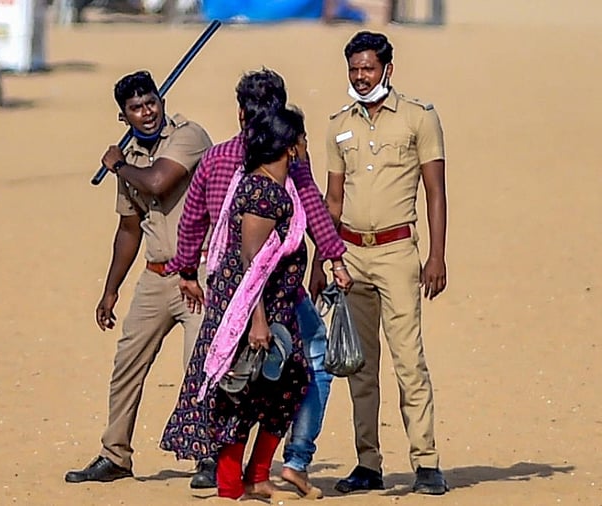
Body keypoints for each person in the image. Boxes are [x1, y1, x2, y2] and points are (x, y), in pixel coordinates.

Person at [161, 68, 346, 496]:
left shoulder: (259, 160)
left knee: (266, 380)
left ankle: (261, 474)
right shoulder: (267, 168)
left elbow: (193, 223)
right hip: (247, 297)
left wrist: (190, 270)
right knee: (248, 383)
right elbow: (252, 258)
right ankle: (252, 474)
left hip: (273, 292)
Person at [64, 70, 213, 483]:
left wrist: (118, 165)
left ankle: (209, 455)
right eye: (135, 108)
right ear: (124, 115)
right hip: (155, 276)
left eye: (150, 103)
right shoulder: (131, 159)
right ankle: (115, 455)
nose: (146, 113)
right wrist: (109, 291)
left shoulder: (188, 137)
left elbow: (159, 181)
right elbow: (129, 229)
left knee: (200, 365)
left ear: (161, 101)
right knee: (127, 362)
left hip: (198, 272)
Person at [323, 30, 448, 495]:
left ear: (387, 70)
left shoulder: (419, 119)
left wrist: (436, 254)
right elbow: (333, 200)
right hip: (351, 253)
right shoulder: (338, 125)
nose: (360, 77)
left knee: (408, 360)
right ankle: (368, 463)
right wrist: (325, 257)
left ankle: (427, 462)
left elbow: (435, 190)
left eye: (368, 68)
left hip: (398, 252)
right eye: (354, 69)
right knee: (359, 365)